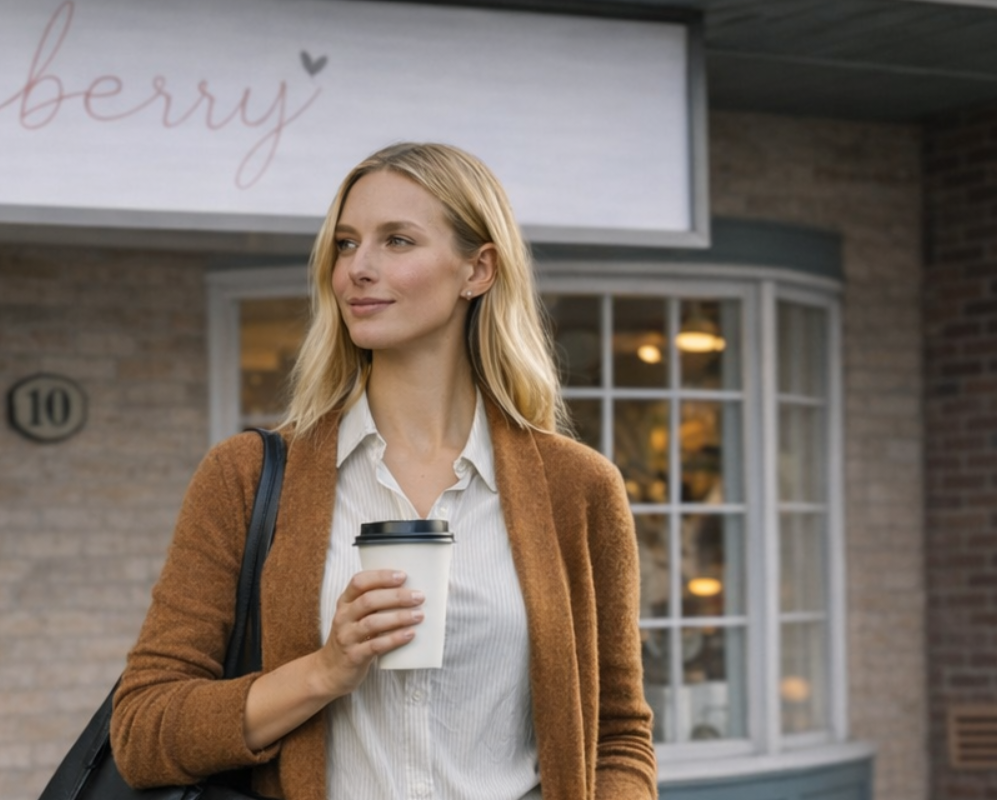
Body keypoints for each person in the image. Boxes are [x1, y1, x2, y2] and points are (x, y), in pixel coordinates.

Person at [110, 143, 655, 800]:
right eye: (345, 244)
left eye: (397, 241)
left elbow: (619, 734)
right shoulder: (245, 476)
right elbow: (142, 734)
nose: (357, 269)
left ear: (478, 269)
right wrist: (324, 672)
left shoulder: (579, 488)